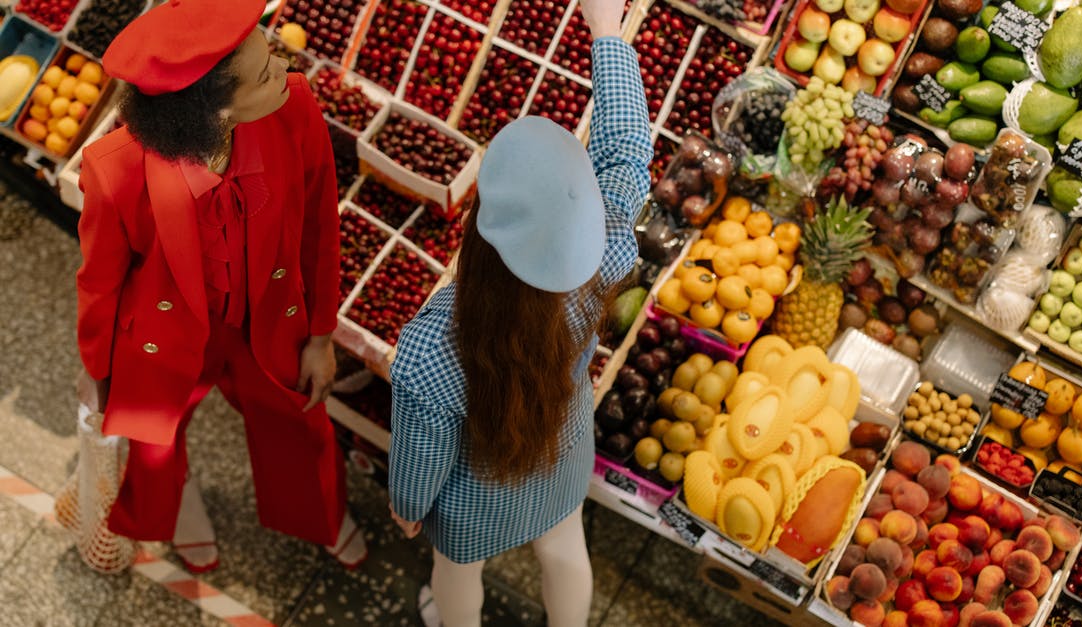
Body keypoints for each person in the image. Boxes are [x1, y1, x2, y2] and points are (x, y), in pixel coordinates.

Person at [74, 0, 365, 572]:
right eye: (264, 72)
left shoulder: (295, 105)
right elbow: (99, 285)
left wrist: (321, 335)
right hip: (167, 333)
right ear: (215, 110)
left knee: (301, 418)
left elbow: (320, 223)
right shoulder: (112, 170)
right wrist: (97, 373)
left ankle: (321, 514)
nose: (285, 70)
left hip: (267, 314)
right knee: (157, 441)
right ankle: (177, 508)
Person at [386, 0, 651, 624]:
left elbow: (422, 455)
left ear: (482, 227)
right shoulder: (607, 254)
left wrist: (407, 504)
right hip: (562, 454)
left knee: (455, 573)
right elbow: (628, 151)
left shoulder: (433, 346)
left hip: (475, 500)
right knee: (565, 552)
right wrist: (606, 32)